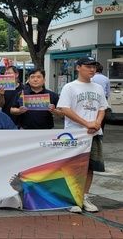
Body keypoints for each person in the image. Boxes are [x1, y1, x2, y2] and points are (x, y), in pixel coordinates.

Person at [57, 57, 108, 213]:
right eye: (88, 66)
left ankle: (84, 196)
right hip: (75, 134)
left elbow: (102, 108)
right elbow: (65, 109)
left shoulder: (98, 88)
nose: (92, 69)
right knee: (73, 167)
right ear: (78, 68)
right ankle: (72, 198)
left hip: (94, 133)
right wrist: (87, 124)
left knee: (90, 167)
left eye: (94, 66)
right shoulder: (70, 87)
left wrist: (97, 123)